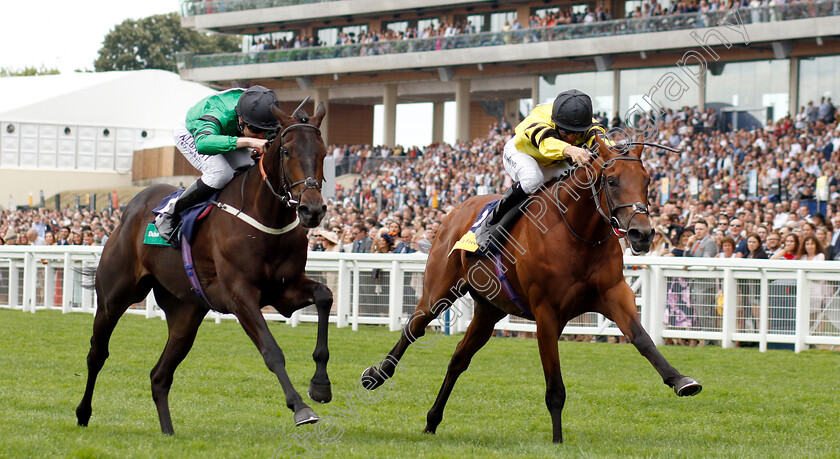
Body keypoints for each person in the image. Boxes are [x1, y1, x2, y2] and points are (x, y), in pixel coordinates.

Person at [474, 89, 604, 248]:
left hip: (553, 161)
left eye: (577, 133)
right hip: (522, 153)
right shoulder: (538, 119)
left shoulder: (590, 125)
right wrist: (570, 149)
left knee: (576, 180)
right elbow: (545, 145)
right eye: (565, 131)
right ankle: (489, 224)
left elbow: (605, 146)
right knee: (533, 180)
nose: (571, 138)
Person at [154, 86, 280, 243]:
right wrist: (248, 141)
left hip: (229, 132)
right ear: (241, 119)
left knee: (250, 170)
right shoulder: (220, 112)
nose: (261, 136)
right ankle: (170, 215)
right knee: (220, 173)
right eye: (256, 130)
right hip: (195, 134)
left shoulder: (263, 111)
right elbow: (203, 143)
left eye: (265, 130)